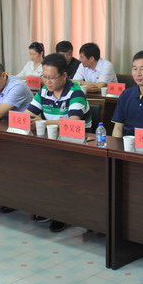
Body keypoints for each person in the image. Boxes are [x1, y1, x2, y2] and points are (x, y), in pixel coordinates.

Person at [26, 53, 90, 233]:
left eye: (52, 78)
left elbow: (73, 122)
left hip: (78, 145)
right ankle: (44, 207)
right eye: (44, 77)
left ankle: (61, 214)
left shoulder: (75, 92)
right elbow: (28, 114)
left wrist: (43, 122)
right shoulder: (43, 91)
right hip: (52, 142)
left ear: (64, 75)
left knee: (58, 169)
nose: (47, 81)